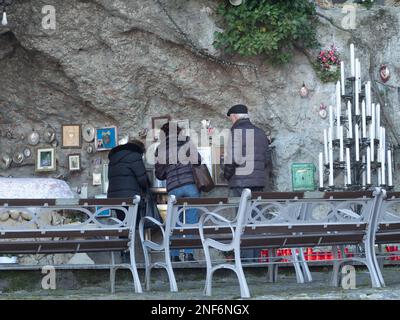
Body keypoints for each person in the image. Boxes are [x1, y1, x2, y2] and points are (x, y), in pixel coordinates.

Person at [223, 104, 272, 262]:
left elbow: (232, 160)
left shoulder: (235, 133)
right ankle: (255, 258)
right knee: (255, 221)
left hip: (240, 184)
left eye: (231, 118)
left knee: (242, 221)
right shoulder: (260, 133)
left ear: (235, 117)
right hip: (258, 183)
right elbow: (267, 160)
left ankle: (245, 260)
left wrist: (226, 175)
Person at [155, 122, 201, 262]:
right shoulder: (186, 141)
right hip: (190, 185)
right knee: (191, 220)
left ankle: (174, 256)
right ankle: (189, 254)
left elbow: (159, 174)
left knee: (174, 222)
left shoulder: (160, 149)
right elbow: (198, 160)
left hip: (174, 187)